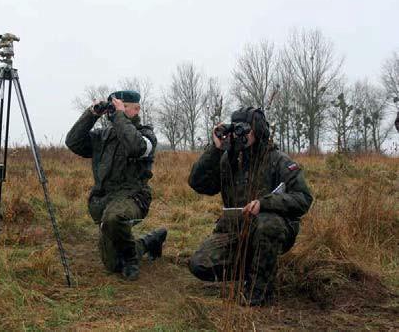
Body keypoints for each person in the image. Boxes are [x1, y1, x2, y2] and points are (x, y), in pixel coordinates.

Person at [187, 106, 313, 306]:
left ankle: (259, 292)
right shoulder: (228, 159)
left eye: (246, 130)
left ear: (259, 131)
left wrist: (264, 203)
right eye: (237, 130)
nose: (240, 136)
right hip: (236, 230)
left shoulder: (277, 160)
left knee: (267, 224)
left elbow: (304, 198)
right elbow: (198, 183)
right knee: (199, 264)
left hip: (270, 228)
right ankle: (262, 267)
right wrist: (216, 149)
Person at [65, 90, 167, 281]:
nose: (114, 112)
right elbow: (73, 142)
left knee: (114, 217)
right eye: (114, 108)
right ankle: (149, 241)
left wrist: (119, 117)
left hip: (133, 197)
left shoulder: (146, 134)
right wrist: (92, 114)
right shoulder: (103, 137)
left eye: (121, 107)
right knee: (112, 264)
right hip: (105, 200)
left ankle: (131, 260)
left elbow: (136, 147)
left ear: (136, 109)